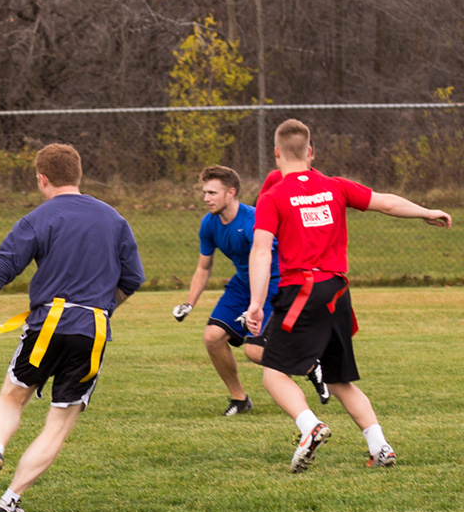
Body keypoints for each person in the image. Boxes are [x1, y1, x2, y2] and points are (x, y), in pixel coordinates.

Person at [0, 144, 144, 512]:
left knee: (12, 397)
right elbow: (133, 278)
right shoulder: (115, 220)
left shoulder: (38, 218)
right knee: (59, 423)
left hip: (47, 322)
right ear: (78, 175)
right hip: (93, 327)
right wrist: (102, 307)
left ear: (41, 179)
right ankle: (9, 500)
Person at [244, 119, 452, 472]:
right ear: (311, 152)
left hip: (303, 292)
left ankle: (310, 428)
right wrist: (425, 211)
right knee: (339, 379)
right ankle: (380, 446)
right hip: (337, 292)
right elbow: (384, 202)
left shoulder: (273, 197)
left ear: (277, 154)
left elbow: (262, 251)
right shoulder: (335, 187)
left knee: (273, 372)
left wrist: (255, 302)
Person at [172, 165, 302, 416]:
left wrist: (255, 304)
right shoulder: (209, 224)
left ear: (231, 192)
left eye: (212, 192)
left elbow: (262, 261)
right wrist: (190, 303)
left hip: (273, 284)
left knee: (258, 351)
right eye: (204, 192)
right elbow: (203, 267)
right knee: (212, 337)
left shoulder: (255, 219)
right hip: (243, 284)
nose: (206, 198)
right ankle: (240, 398)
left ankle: (309, 365)